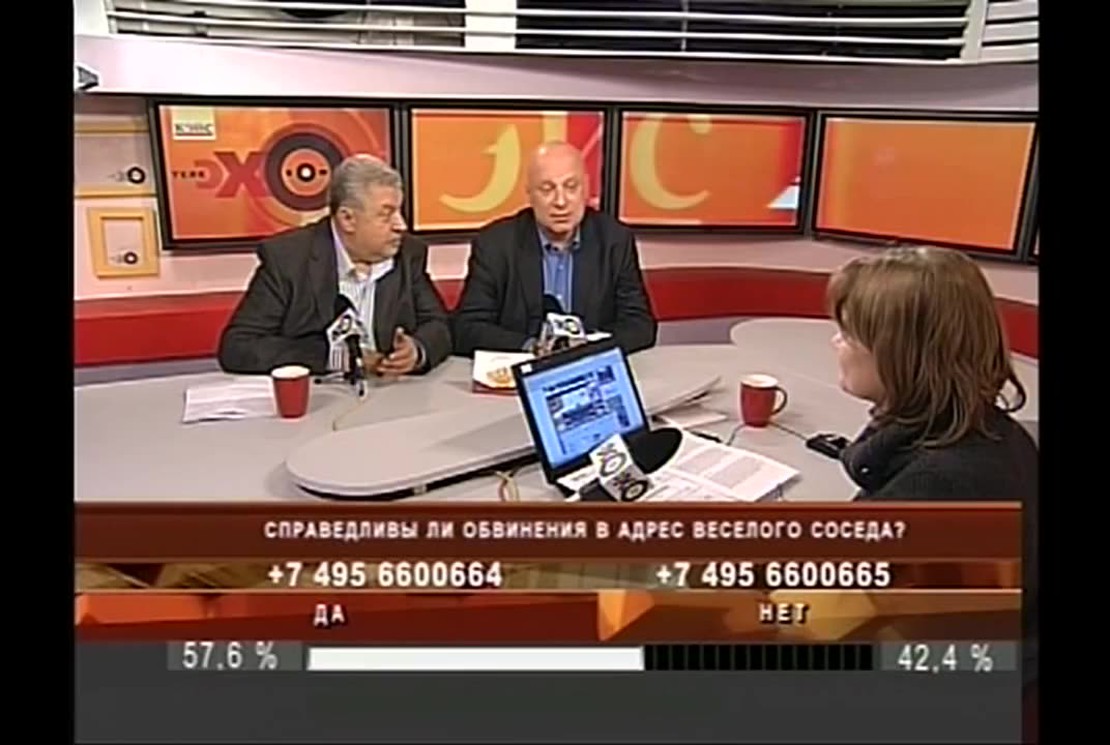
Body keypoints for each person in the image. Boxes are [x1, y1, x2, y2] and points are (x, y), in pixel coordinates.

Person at [827, 246, 1038, 500]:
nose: (835, 342)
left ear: (901, 352)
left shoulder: (930, 486)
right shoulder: (1000, 432)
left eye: (848, 333)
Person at [218, 155, 451, 377]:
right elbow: (239, 347)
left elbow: (439, 325)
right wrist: (336, 358)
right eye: (386, 214)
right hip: (319, 395)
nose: (401, 225)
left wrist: (417, 350)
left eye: (399, 211)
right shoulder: (289, 259)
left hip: (392, 392)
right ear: (347, 219)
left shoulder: (408, 254)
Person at [451, 141, 657, 357]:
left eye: (571, 187)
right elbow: (468, 328)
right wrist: (532, 347)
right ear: (529, 193)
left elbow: (640, 325)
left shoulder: (614, 240)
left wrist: (588, 347)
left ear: (586, 188)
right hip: (523, 369)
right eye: (547, 189)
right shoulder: (496, 244)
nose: (560, 201)